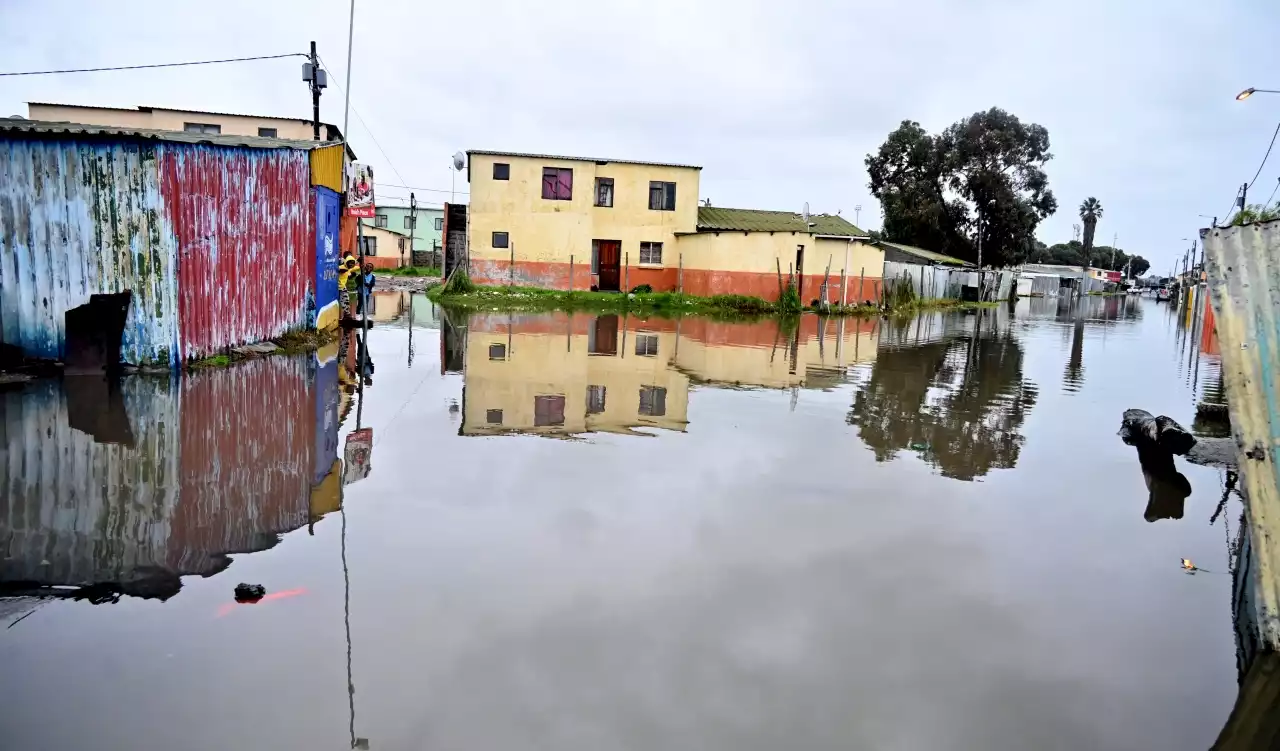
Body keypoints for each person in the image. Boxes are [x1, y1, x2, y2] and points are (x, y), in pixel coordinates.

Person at [337, 256, 358, 322]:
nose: (351, 265)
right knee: (344, 301)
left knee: (346, 301)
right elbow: (338, 270)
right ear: (346, 262)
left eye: (352, 263)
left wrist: (359, 262)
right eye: (350, 263)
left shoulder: (349, 268)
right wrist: (341, 271)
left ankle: (346, 315)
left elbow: (356, 267)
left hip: (343, 287)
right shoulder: (342, 267)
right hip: (338, 287)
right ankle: (347, 315)